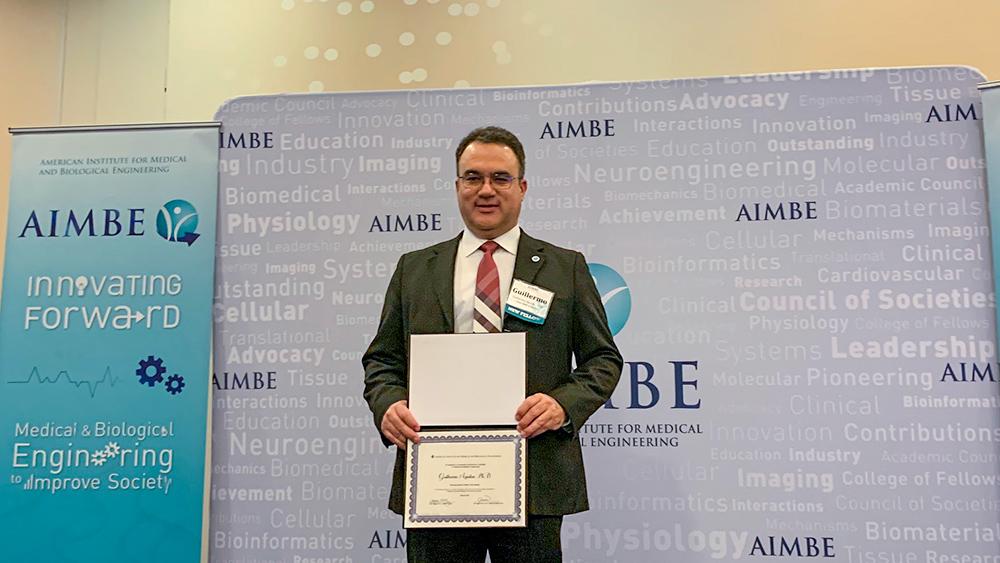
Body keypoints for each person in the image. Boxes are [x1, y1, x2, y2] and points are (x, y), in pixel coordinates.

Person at [362, 126, 623, 563]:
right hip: (437, 480)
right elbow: (383, 361)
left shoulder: (566, 268)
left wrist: (562, 404)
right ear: (457, 186)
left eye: (501, 178)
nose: (486, 190)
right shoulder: (414, 269)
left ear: (522, 188)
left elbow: (603, 360)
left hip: (533, 475)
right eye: (473, 177)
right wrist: (388, 404)